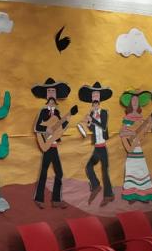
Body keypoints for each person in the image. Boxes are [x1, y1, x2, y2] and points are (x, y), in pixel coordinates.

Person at [31, 78, 72, 209]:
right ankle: (39, 198)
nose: (51, 94)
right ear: (46, 94)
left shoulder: (58, 113)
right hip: (46, 144)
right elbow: (37, 127)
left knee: (59, 173)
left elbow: (60, 126)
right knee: (44, 172)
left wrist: (67, 118)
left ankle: (56, 200)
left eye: (53, 91)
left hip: (53, 145)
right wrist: (46, 129)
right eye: (49, 91)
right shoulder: (43, 111)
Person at [118, 89, 152, 203]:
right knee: (131, 171)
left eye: (137, 100)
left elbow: (143, 133)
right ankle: (131, 194)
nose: (135, 102)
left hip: (138, 147)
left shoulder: (140, 117)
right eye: (133, 100)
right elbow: (123, 132)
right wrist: (131, 135)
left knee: (142, 170)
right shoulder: (127, 117)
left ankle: (144, 194)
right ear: (130, 103)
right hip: (131, 146)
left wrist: (149, 124)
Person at [78, 82, 114, 205]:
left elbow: (103, 126)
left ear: (99, 99)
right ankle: (96, 186)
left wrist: (92, 119)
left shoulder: (104, 112)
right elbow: (92, 129)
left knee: (104, 171)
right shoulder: (92, 113)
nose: (95, 98)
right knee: (89, 166)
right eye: (93, 96)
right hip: (97, 147)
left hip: (102, 147)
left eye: (97, 96)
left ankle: (108, 195)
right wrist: (87, 123)